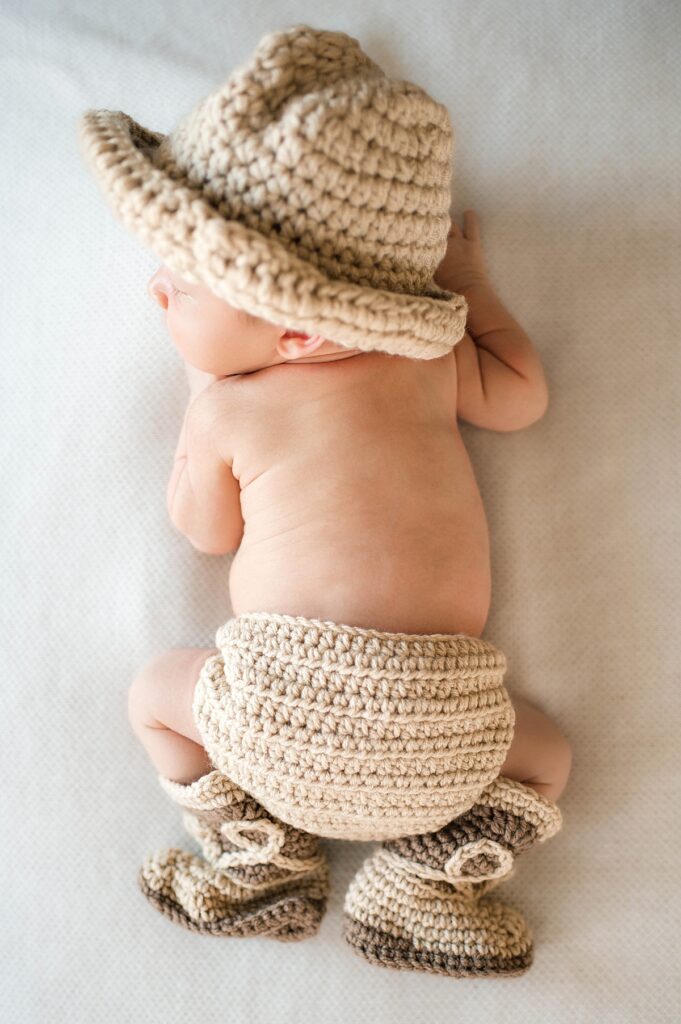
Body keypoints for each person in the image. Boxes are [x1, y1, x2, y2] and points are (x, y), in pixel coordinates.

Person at [80, 24, 571, 977]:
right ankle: (425, 883)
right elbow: (520, 395)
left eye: (184, 285)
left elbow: (201, 529)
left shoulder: (233, 408)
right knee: (544, 755)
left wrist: (199, 421)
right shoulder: (427, 359)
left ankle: (262, 860)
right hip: (448, 743)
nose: (157, 290)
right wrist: (465, 285)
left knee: (154, 696)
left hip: (272, 717)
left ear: (298, 334)